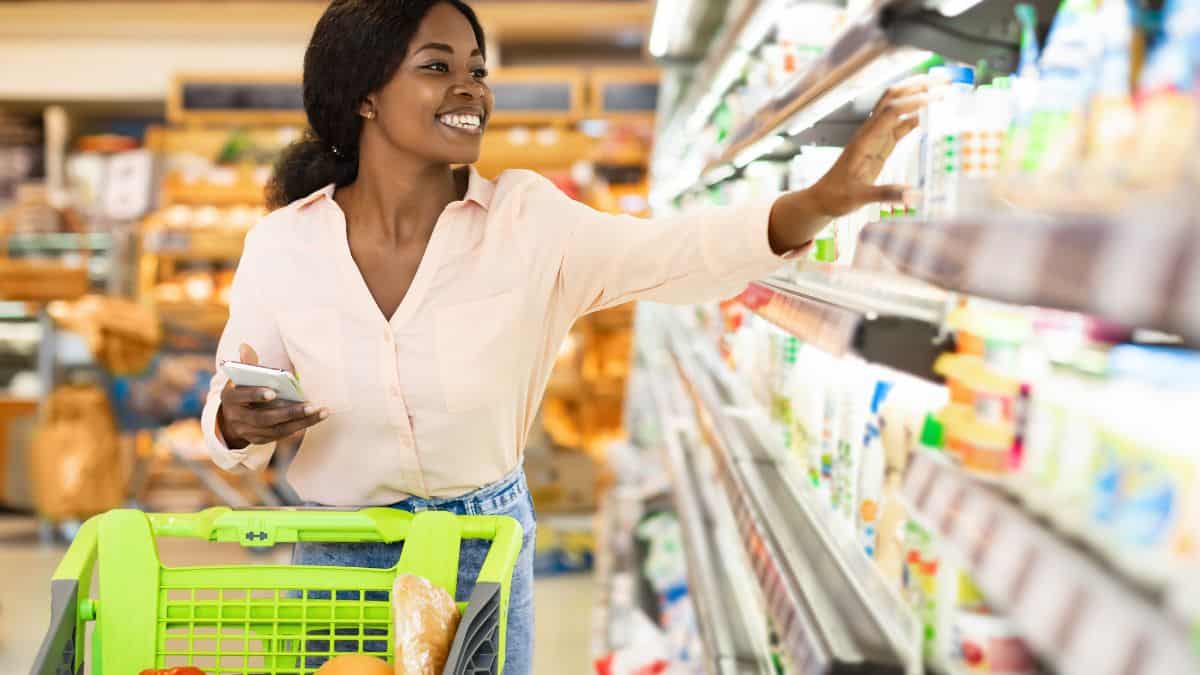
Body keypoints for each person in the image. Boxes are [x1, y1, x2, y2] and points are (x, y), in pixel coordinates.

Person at [200, 0, 938, 672]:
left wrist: (814, 204)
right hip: (340, 556)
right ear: (363, 94)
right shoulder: (282, 245)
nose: (470, 89)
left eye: (477, 71)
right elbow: (235, 394)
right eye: (437, 67)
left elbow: (671, 254)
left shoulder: (525, 222)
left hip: (477, 553)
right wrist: (234, 420)